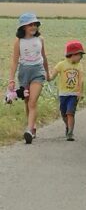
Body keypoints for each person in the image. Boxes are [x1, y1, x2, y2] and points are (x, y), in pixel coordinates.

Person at [8, 12, 49, 144]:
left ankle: (29, 130)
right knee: (26, 101)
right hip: (24, 73)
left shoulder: (40, 39)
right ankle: (32, 127)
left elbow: (44, 57)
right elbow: (14, 61)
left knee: (32, 101)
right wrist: (11, 79)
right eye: (30, 24)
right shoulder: (18, 41)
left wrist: (47, 73)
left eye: (35, 24)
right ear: (23, 27)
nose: (33, 27)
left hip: (38, 72)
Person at [49, 40, 85, 141]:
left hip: (74, 94)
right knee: (64, 113)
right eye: (80, 54)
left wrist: (80, 92)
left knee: (70, 113)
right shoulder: (61, 65)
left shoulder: (79, 66)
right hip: (63, 94)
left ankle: (70, 133)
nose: (81, 57)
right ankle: (67, 126)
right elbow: (52, 76)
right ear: (72, 54)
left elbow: (81, 80)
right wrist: (47, 76)